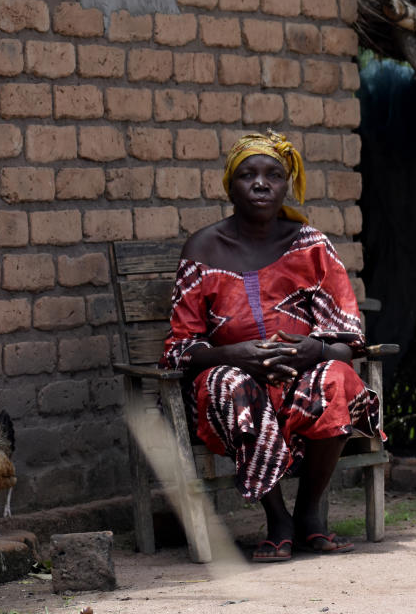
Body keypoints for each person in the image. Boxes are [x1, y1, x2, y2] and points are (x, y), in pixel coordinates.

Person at [161, 131, 380, 562]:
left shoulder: (311, 247)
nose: (261, 184)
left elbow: (347, 342)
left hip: (301, 383)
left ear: (287, 184)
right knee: (230, 384)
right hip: (230, 390)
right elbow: (177, 349)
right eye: (248, 175)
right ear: (230, 185)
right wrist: (233, 355)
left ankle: (308, 516)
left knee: (338, 377)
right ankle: (277, 518)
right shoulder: (203, 249)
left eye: (273, 175)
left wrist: (312, 351)